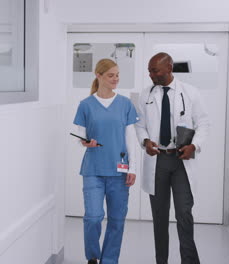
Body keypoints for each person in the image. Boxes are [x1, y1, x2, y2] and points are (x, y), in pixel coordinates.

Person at [135, 52, 210, 264]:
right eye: (149, 70)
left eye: (154, 70)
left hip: (181, 161)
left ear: (169, 68)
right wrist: (145, 141)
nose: (150, 75)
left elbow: (203, 123)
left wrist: (194, 145)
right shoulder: (145, 94)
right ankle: (162, 261)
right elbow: (139, 125)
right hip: (157, 160)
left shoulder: (190, 92)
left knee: (184, 214)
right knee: (159, 217)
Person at [73, 58, 139, 264]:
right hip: (93, 170)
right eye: (111, 75)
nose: (115, 79)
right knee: (93, 217)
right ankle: (93, 256)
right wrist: (86, 143)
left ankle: (109, 260)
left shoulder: (125, 104)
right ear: (98, 75)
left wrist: (133, 168)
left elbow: (131, 139)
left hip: (119, 172)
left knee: (117, 221)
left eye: (117, 75)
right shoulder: (86, 105)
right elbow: (80, 137)